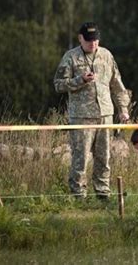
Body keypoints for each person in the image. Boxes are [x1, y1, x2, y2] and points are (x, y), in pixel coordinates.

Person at [54, 22, 130, 201]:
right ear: (80, 38)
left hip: (105, 115)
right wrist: (80, 80)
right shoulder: (70, 57)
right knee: (80, 159)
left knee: (104, 157)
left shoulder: (106, 55)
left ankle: (103, 193)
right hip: (82, 117)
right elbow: (58, 84)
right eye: (88, 41)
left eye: (95, 40)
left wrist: (123, 109)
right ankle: (78, 195)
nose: (92, 44)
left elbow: (117, 85)